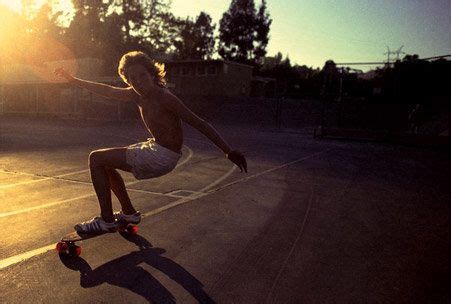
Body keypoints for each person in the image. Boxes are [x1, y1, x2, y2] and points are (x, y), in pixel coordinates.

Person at [54, 51, 247, 234]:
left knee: (95, 158)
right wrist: (73, 80)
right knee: (103, 163)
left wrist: (228, 151)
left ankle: (106, 220)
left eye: (141, 75)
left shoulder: (165, 98)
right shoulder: (135, 94)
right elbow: (107, 90)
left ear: (152, 74)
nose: (138, 82)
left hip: (163, 156)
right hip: (155, 148)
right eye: (132, 79)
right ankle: (128, 213)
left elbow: (199, 123)